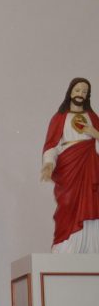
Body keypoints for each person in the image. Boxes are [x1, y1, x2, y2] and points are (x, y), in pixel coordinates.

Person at [41, 77, 99, 253]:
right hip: (69, 169)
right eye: (78, 90)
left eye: (84, 91)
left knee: (92, 203)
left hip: (90, 166)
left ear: (88, 95)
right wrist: (49, 164)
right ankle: (65, 246)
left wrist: (94, 132)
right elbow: (52, 145)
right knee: (67, 204)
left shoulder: (93, 117)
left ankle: (91, 246)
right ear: (70, 92)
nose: (80, 93)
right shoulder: (60, 118)